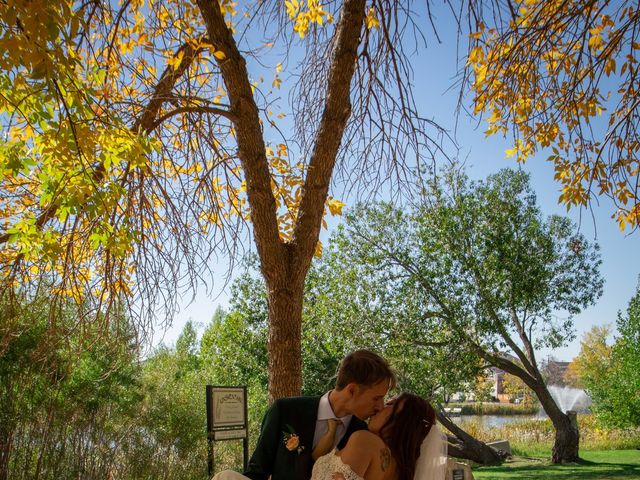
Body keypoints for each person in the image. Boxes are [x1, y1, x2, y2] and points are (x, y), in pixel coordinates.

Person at [213, 349, 396, 480]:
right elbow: (257, 471)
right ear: (352, 390)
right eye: (376, 398)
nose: (380, 406)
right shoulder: (285, 411)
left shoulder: (362, 434)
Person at [310, 393, 447, 480]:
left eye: (390, 404)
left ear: (403, 420)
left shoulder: (364, 441)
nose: (380, 407)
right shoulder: (400, 469)